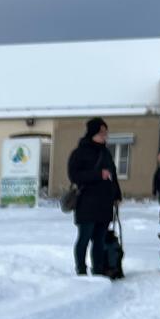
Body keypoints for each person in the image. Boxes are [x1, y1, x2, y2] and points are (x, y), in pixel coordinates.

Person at [66, 117, 122, 276]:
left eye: (106, 132)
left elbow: (113, 175)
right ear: (93, 133)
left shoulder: (106, 153)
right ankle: (81, 270)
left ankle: (98, 270)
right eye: (101, 132)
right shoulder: (79, 153)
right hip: (87, 203)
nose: (105, 135)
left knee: (99, 240)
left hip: (105, 203)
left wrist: (117, 195)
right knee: (84, 238)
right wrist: (98, 174)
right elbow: (74, 175)